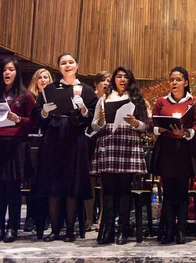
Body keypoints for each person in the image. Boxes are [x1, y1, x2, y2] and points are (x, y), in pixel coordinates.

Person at [32, 52, 98, 242]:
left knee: (72, 185)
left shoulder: (86, 90)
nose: (67, 65)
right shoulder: (49, 89)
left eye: (71, 62)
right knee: (54, 185)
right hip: (53, 139)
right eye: (63, 63)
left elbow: (93, 118)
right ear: (59, 68)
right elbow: (37, 114)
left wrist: (84, 109)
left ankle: (70, 230)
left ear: (77, 66)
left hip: (74, 139)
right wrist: (44, 112)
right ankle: (55, 229)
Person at [0, 57, 36, 243]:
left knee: (12, 188)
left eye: (10, 69)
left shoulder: (25, 96)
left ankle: (12, 228)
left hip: (16, 144)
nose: (7, 73)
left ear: (16, 72)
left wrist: (18, 119)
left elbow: (34, 122)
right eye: (4, 69)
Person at [90, 67, 149, 245]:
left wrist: (135, 122)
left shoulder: (136, 99)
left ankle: (123, 229)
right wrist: (100, 120)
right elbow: (94, 126)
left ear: (130, 80)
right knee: (108, 189)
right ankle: (107, 228)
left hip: (128, 143)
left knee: (124, 188)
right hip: (109, 143)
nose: (122, 80)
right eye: (119, 76)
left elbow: (145, 126)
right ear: (114, 79)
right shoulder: (105, 98)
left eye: (126, 77)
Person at [151, 67, 196, 244]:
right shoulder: (161, 101)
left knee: (181, 192)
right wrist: (163, 128)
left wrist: (185, 133)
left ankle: (181, 231)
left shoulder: (194, 102)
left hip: (184, 149)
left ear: (186, 82)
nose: (174, 82)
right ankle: (168, 230)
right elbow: (153, 124)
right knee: (168, 193)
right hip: (166, 149)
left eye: (178, 79)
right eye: (172, 79)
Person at [24, 68, 54, 233]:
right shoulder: (30, 98)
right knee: (32, 181)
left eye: (46, 78)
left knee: (47, 181)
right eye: (40, 77)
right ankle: (31, 217)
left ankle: (46, 217)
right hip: (33, 141)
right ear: (35, 81)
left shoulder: (54, 97)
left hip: (50, 142)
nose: (43, 80)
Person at [84, 71, 110, 233]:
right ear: (96, 83)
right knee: (89, 182)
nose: (106, 83)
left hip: (105, 142)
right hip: (88, 141)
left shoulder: (110, 99)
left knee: (105, 182)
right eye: (103, 81)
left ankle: (102, 218)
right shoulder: (89, 98)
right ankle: (88, 218)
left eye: (109, 81)